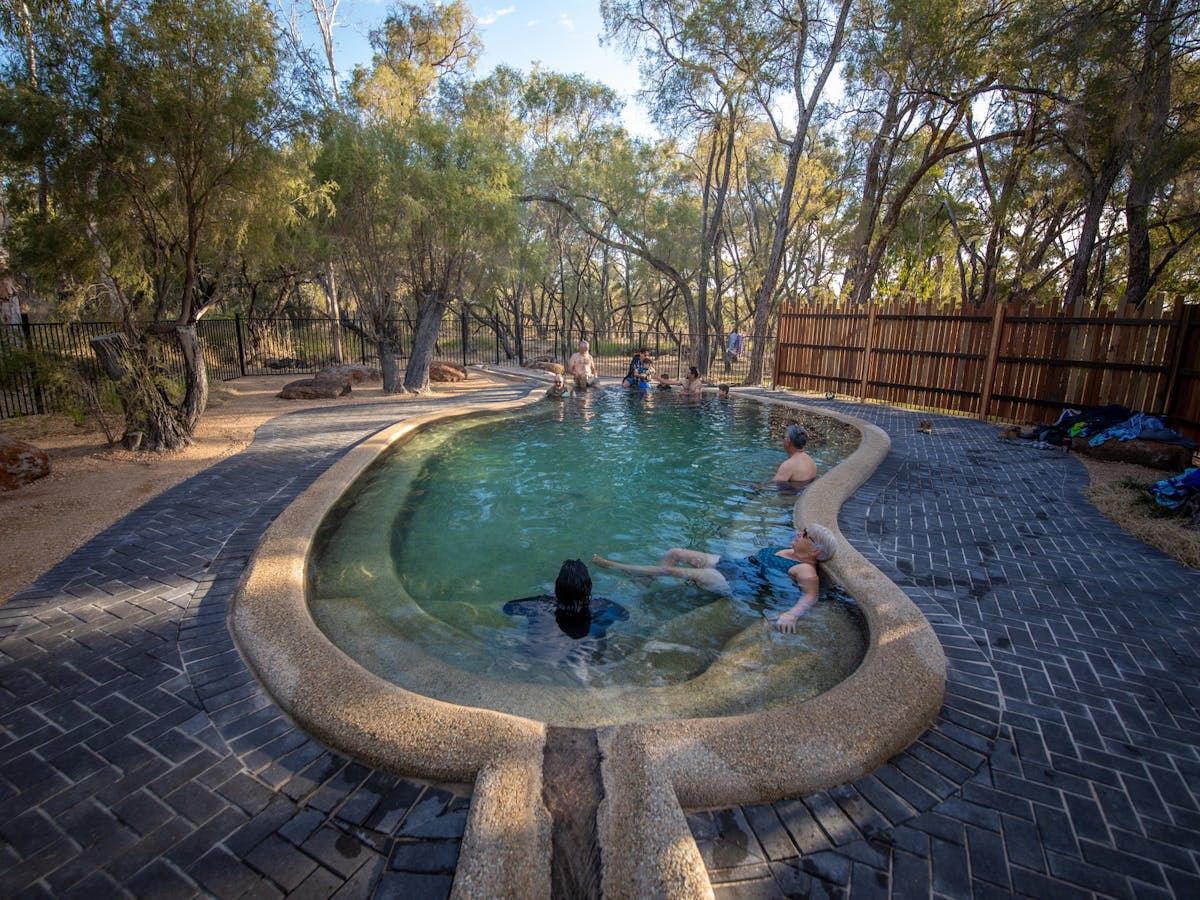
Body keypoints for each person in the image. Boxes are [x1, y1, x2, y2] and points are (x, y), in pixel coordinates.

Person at [591, 524, 837, 631]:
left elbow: (810, 596)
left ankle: (621, 568)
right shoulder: (791, 550)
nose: (798, 533)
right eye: (802, 530)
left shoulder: (806, 570)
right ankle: (644, 580)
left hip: (739, 584)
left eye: (805, 534)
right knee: (674, 553)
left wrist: (791, 614)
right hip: (736, 565)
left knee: (674, 571)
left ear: (816, 551)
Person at [503, 559, 628, 642]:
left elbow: (508, 608)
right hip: (587, 663)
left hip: (538, 657)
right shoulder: (602, 606)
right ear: (589, 587)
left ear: (557, 586)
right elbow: (624, 616)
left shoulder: (539, 604)